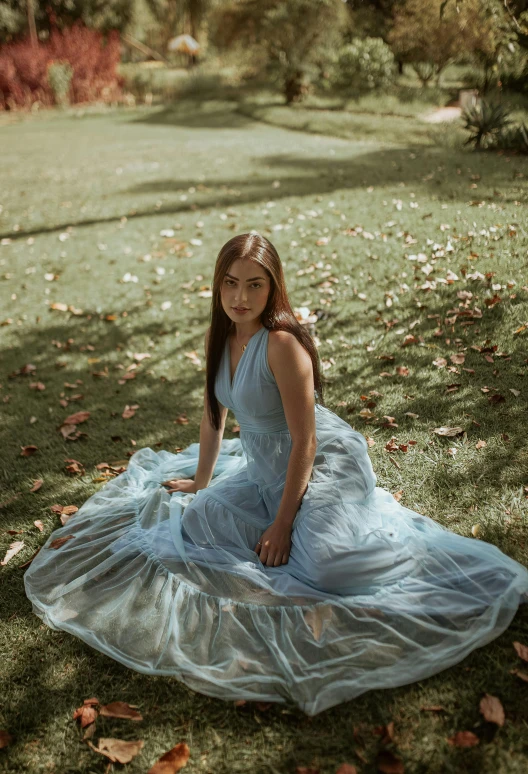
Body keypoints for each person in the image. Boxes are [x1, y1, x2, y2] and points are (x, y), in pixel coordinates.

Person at [24, 233, 528, 716]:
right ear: (217, 285)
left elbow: (305, 441)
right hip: (264, 465)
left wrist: (283, 523)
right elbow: (212, 412)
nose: (240, 297)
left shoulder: (282, 345)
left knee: (327, 568)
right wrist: (202, 480)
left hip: (321, 461)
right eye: (230, 282)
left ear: (273, 287)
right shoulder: (221, 338)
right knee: (199, 522)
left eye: (254, 284)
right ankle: (278, 520)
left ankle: (371, 536)